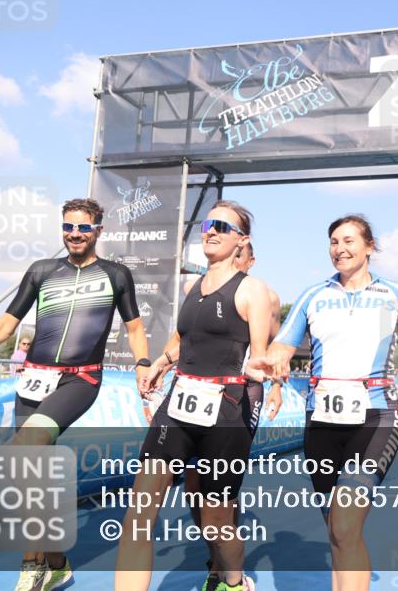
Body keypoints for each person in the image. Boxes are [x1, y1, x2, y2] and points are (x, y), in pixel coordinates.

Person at [248, 214, 398, 591]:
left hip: (376, 414)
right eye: (334, 241)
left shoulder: (394, 293)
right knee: (337, 528)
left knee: (346, 521)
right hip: (322, 419)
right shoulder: (313, 295)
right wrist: (277, 358)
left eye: (349, 241)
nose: (340, 249)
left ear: (369, 247)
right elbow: (283, 343)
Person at [0, 197, 149, 591]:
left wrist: (143, 366)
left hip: (80, 380)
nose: (74, 234)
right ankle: (56, 561)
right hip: (34, 379)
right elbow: (6, 325)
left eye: (83, 227)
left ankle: (31, 566)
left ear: (98, 231)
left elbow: (135, 329)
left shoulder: (116, 275)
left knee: (25, 448)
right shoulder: (41, 271)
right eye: (68, 227)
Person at [115, 201, 273, 591]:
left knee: (215, 520)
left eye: (223, 226)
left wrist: (266, 372)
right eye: (208, 223)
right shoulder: (191, 286)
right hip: (179, 404)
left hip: (226, 412)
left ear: (242, 240)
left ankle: (233, 582)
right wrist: (159, 365)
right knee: (139, 511)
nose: (212, 231)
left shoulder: (254, 291)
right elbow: (184, 339)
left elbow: (258, 356)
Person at [182, 239, 283, 578]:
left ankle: (229, 571)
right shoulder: (204, 289)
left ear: (251, 261)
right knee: (193, 484)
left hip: (245, 391)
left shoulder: (265, 296)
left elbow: (273, 349)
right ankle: (216, 557)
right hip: (201, 391)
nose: (235, 261)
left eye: (242, 256)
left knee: (221, 484)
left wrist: (277, 387)